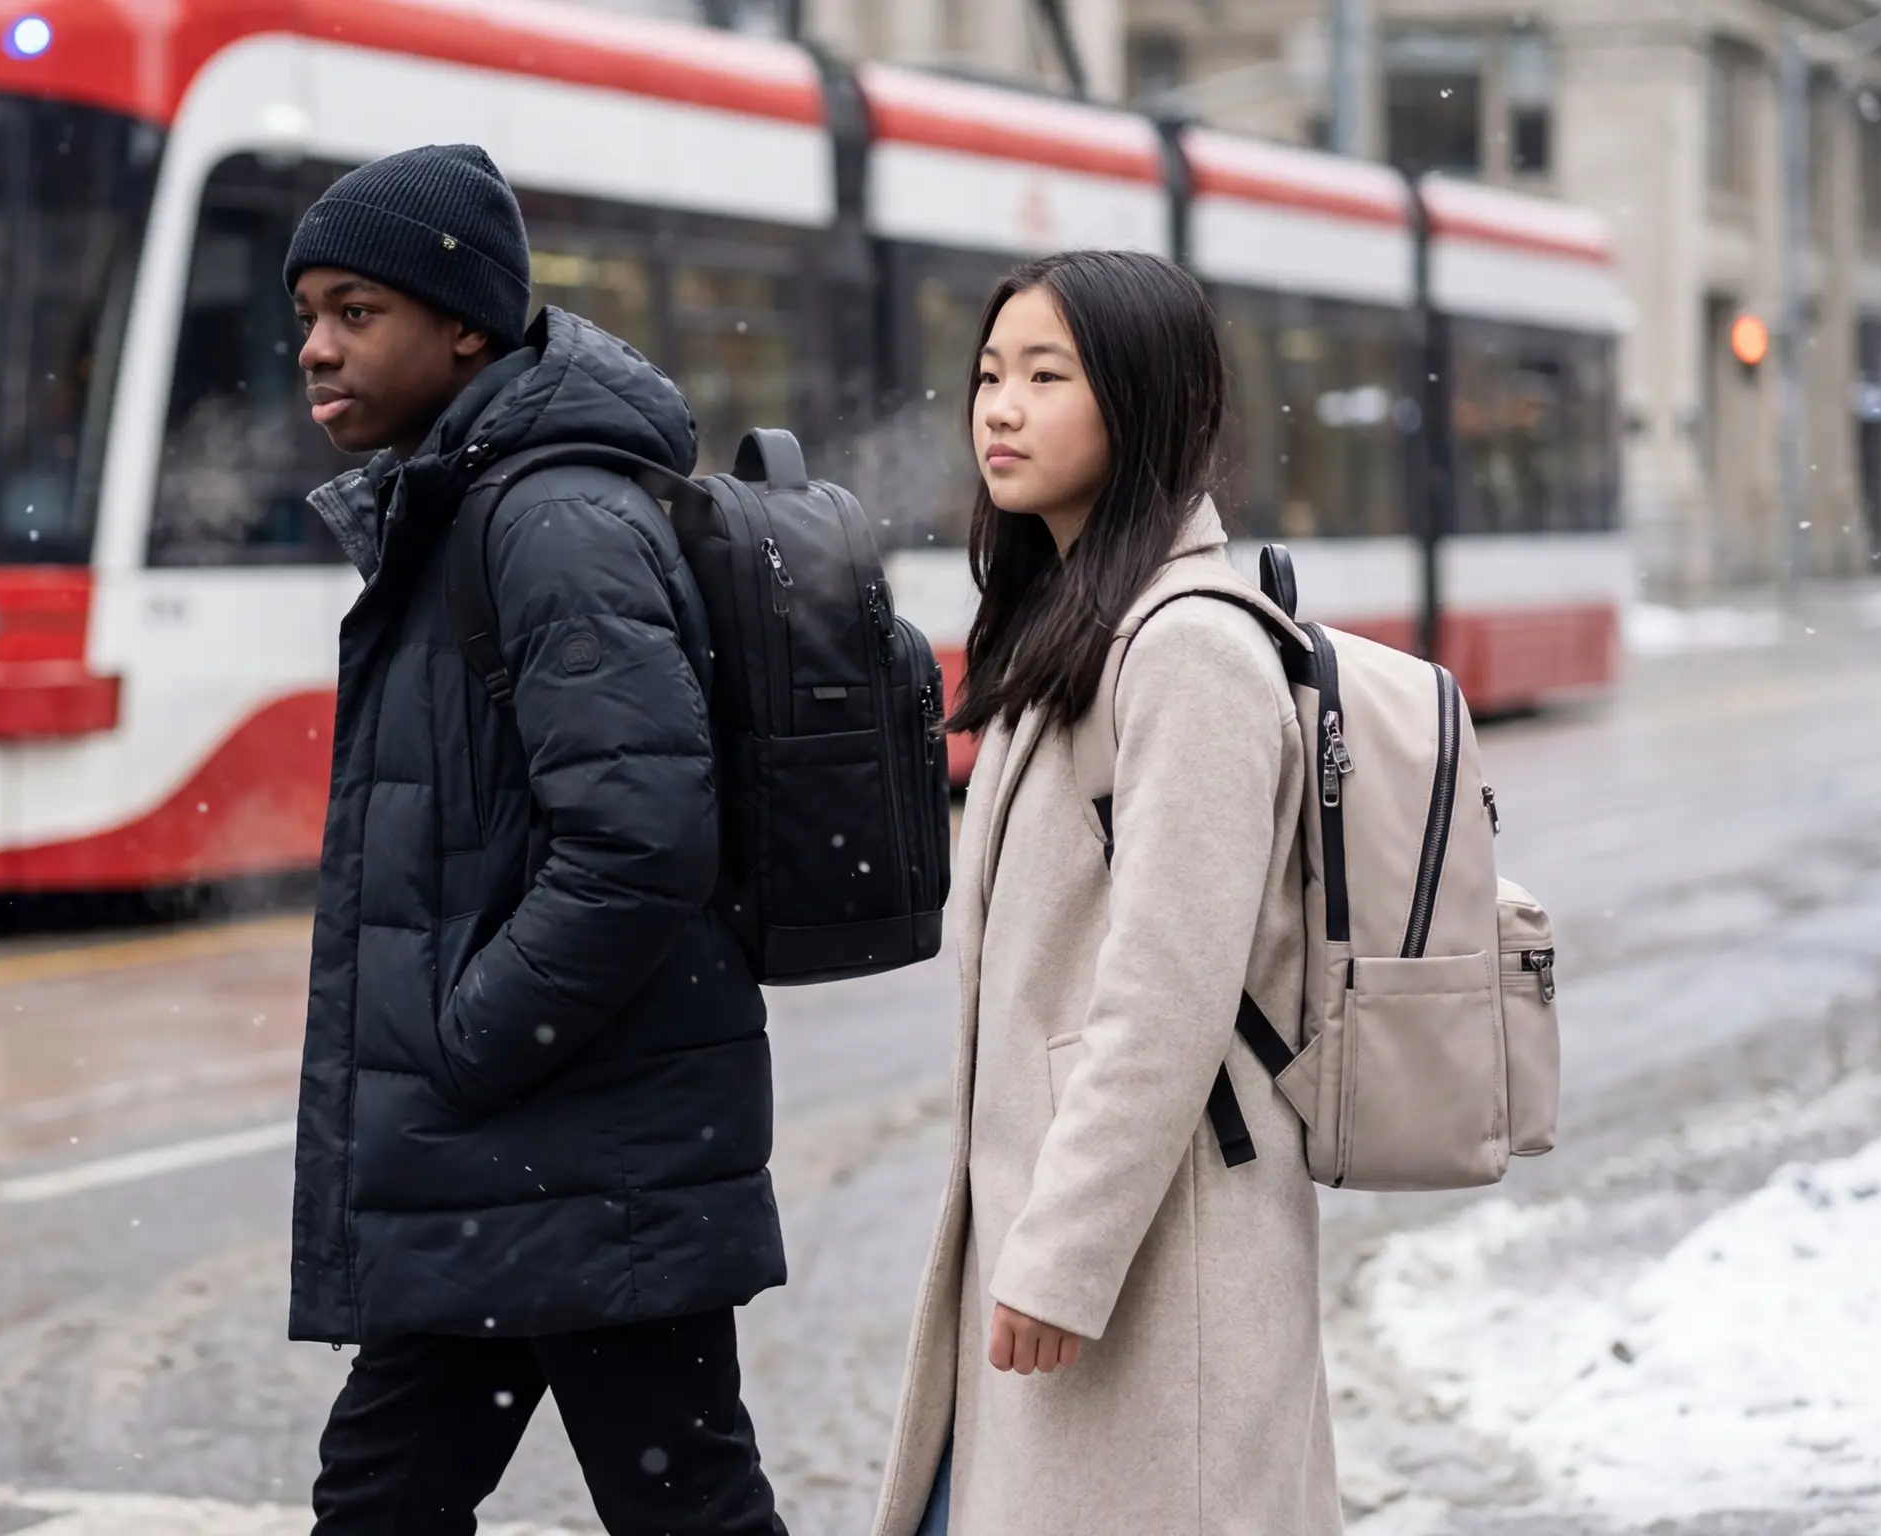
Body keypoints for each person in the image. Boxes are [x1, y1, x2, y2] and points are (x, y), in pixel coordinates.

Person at [280, 144, 789, 1536]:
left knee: (661, 1497)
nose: (317, 349)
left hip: (566, 1142)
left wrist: (473, 1039)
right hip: (529, 1152)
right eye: (307, 316)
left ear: (466, 324)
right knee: (408, 1493)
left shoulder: (549, 518)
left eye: (355, 311)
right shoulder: (467, 500)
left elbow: (639, 843)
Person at [869, 251, 1341, 1536]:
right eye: (985, 375)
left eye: (1043, 375)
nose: (998, 409)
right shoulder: (1082, 624)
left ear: (1138, 405)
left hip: (1155, 1263)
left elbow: (1164, 996)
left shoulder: (1187, 649)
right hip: (1078, 1245)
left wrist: (1063, 1253)